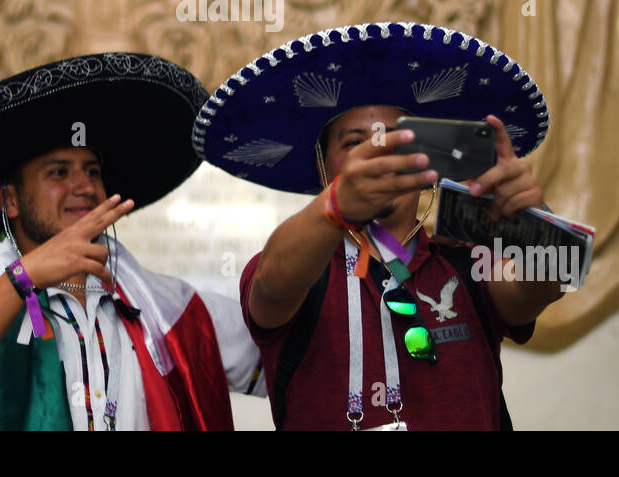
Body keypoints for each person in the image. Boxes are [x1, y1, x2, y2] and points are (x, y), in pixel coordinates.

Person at [193, 22, 565, 430]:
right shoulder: (299, 268)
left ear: (427, 162)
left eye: (397, 141)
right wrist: (336, 207)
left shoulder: (467, 262)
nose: (379, 155)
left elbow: (542, 286)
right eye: (355, 144)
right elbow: (272, 285)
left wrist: (531, 219)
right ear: (323, 168)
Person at [0, 52, 263, 430]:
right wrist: (22, 279)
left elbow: (287, 349)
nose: (85, 186)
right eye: (59, 172)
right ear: (10, 200)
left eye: (92, 170)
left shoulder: (166, 308)